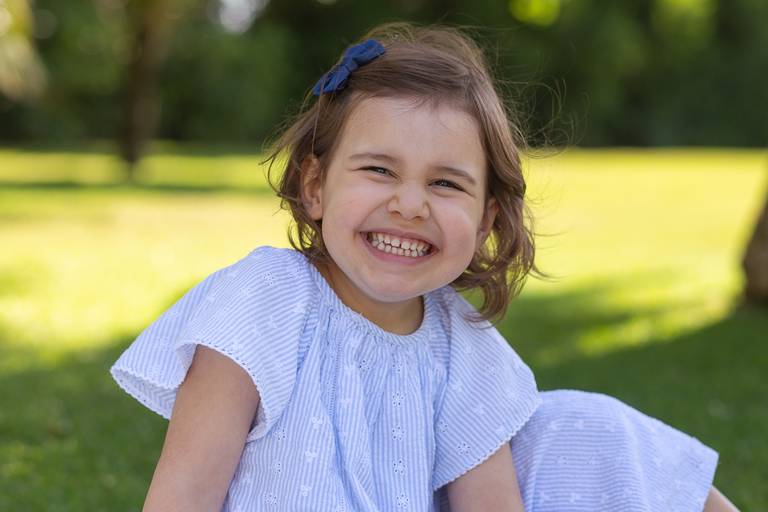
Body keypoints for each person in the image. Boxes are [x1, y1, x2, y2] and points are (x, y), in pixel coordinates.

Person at [110, 23, 738, 512]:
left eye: (445, 183)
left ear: (487, 220)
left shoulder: (462, 347)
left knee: (587, 427)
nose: (410, 205)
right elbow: (183, 494)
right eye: (379, 170)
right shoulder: (264, 300)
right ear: (315, 187)